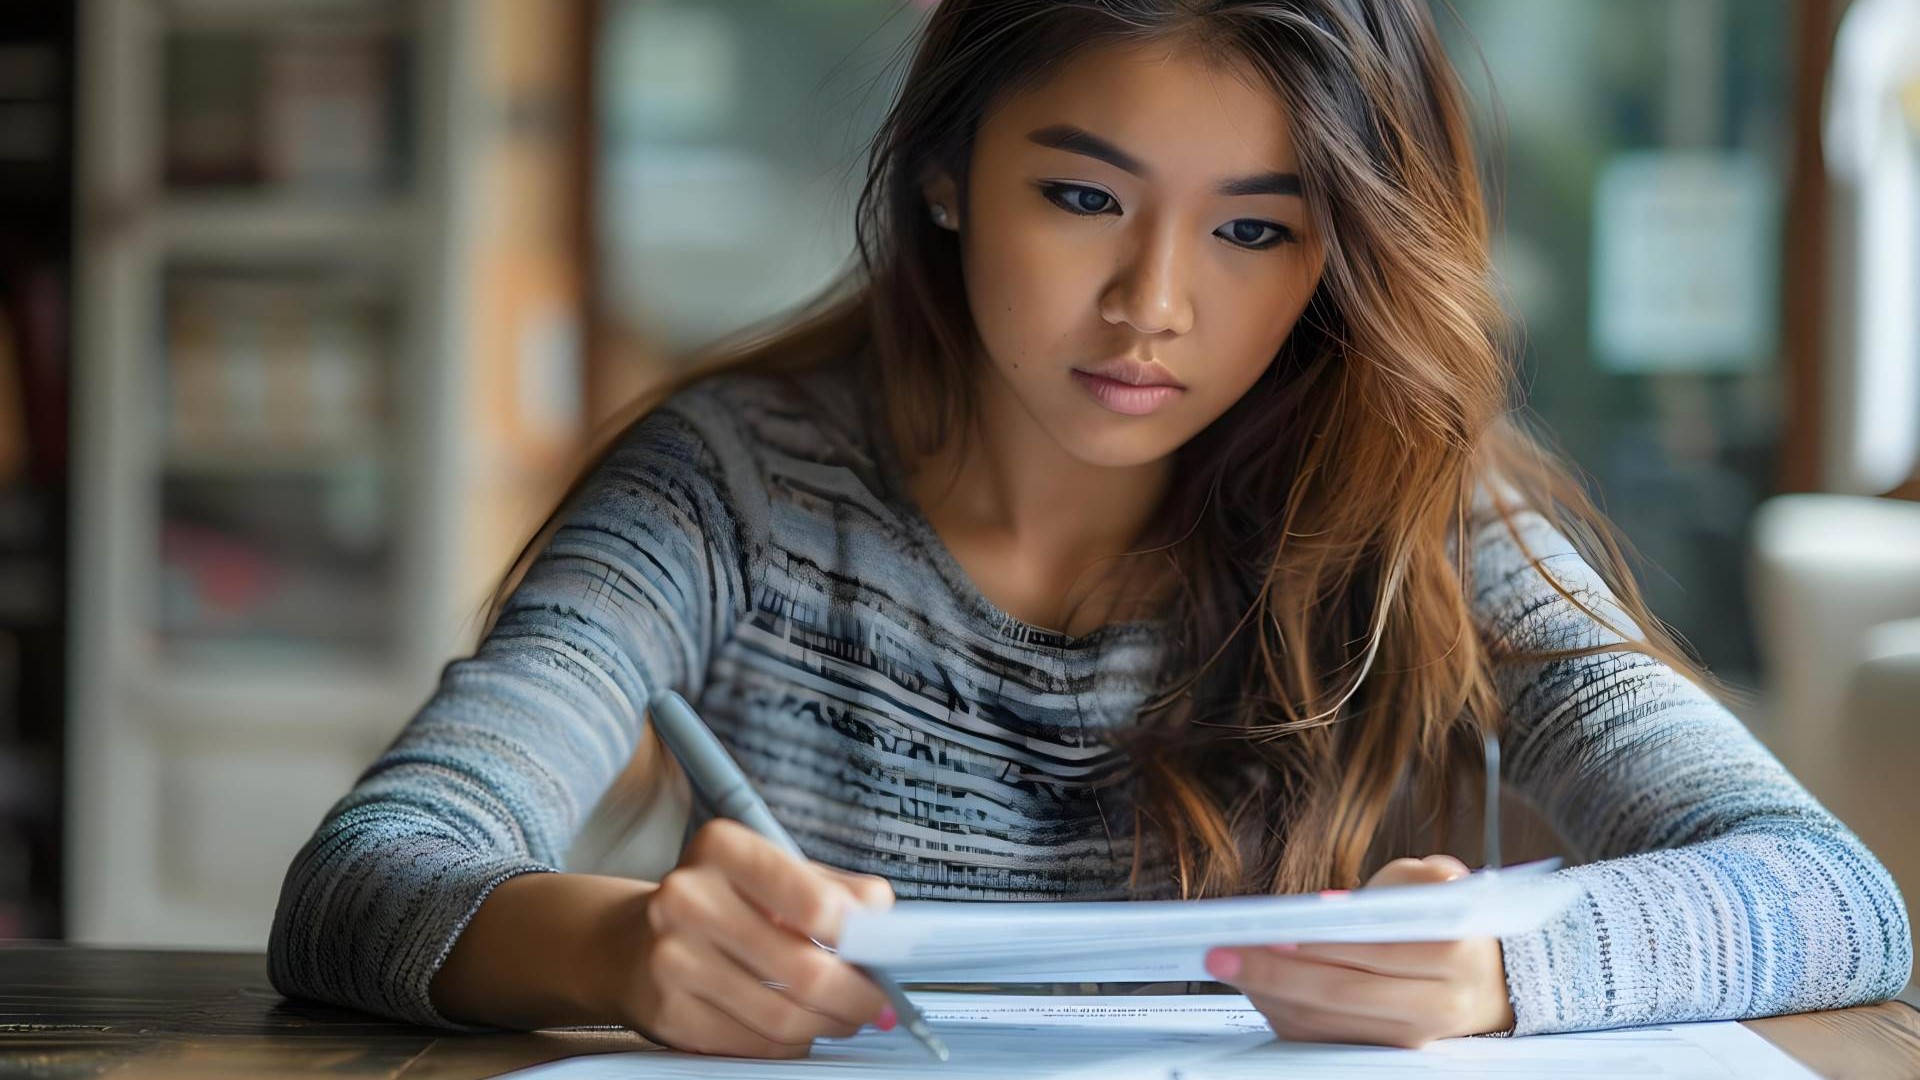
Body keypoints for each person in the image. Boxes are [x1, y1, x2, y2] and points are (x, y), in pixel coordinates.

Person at [268, 0, 1911, 1059]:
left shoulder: (1419, 514)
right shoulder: (726, 488)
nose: (1153, 305)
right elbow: (362, 881)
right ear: (944, 175)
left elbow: (1838, 896)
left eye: (1256, 231)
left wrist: (1503, 968)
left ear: (1339, 254)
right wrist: (627, 948)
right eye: (1081, 198)